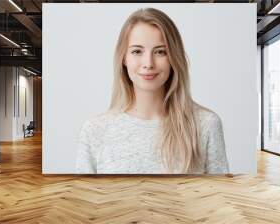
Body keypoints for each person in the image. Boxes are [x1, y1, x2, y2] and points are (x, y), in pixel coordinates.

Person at [76, 8, 229, 174]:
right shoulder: (94, 130)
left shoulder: (206, 125)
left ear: (173, 58)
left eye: (160, 52)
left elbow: (219, 197)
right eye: (137, 51)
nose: (148, 63)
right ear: (124, 58)